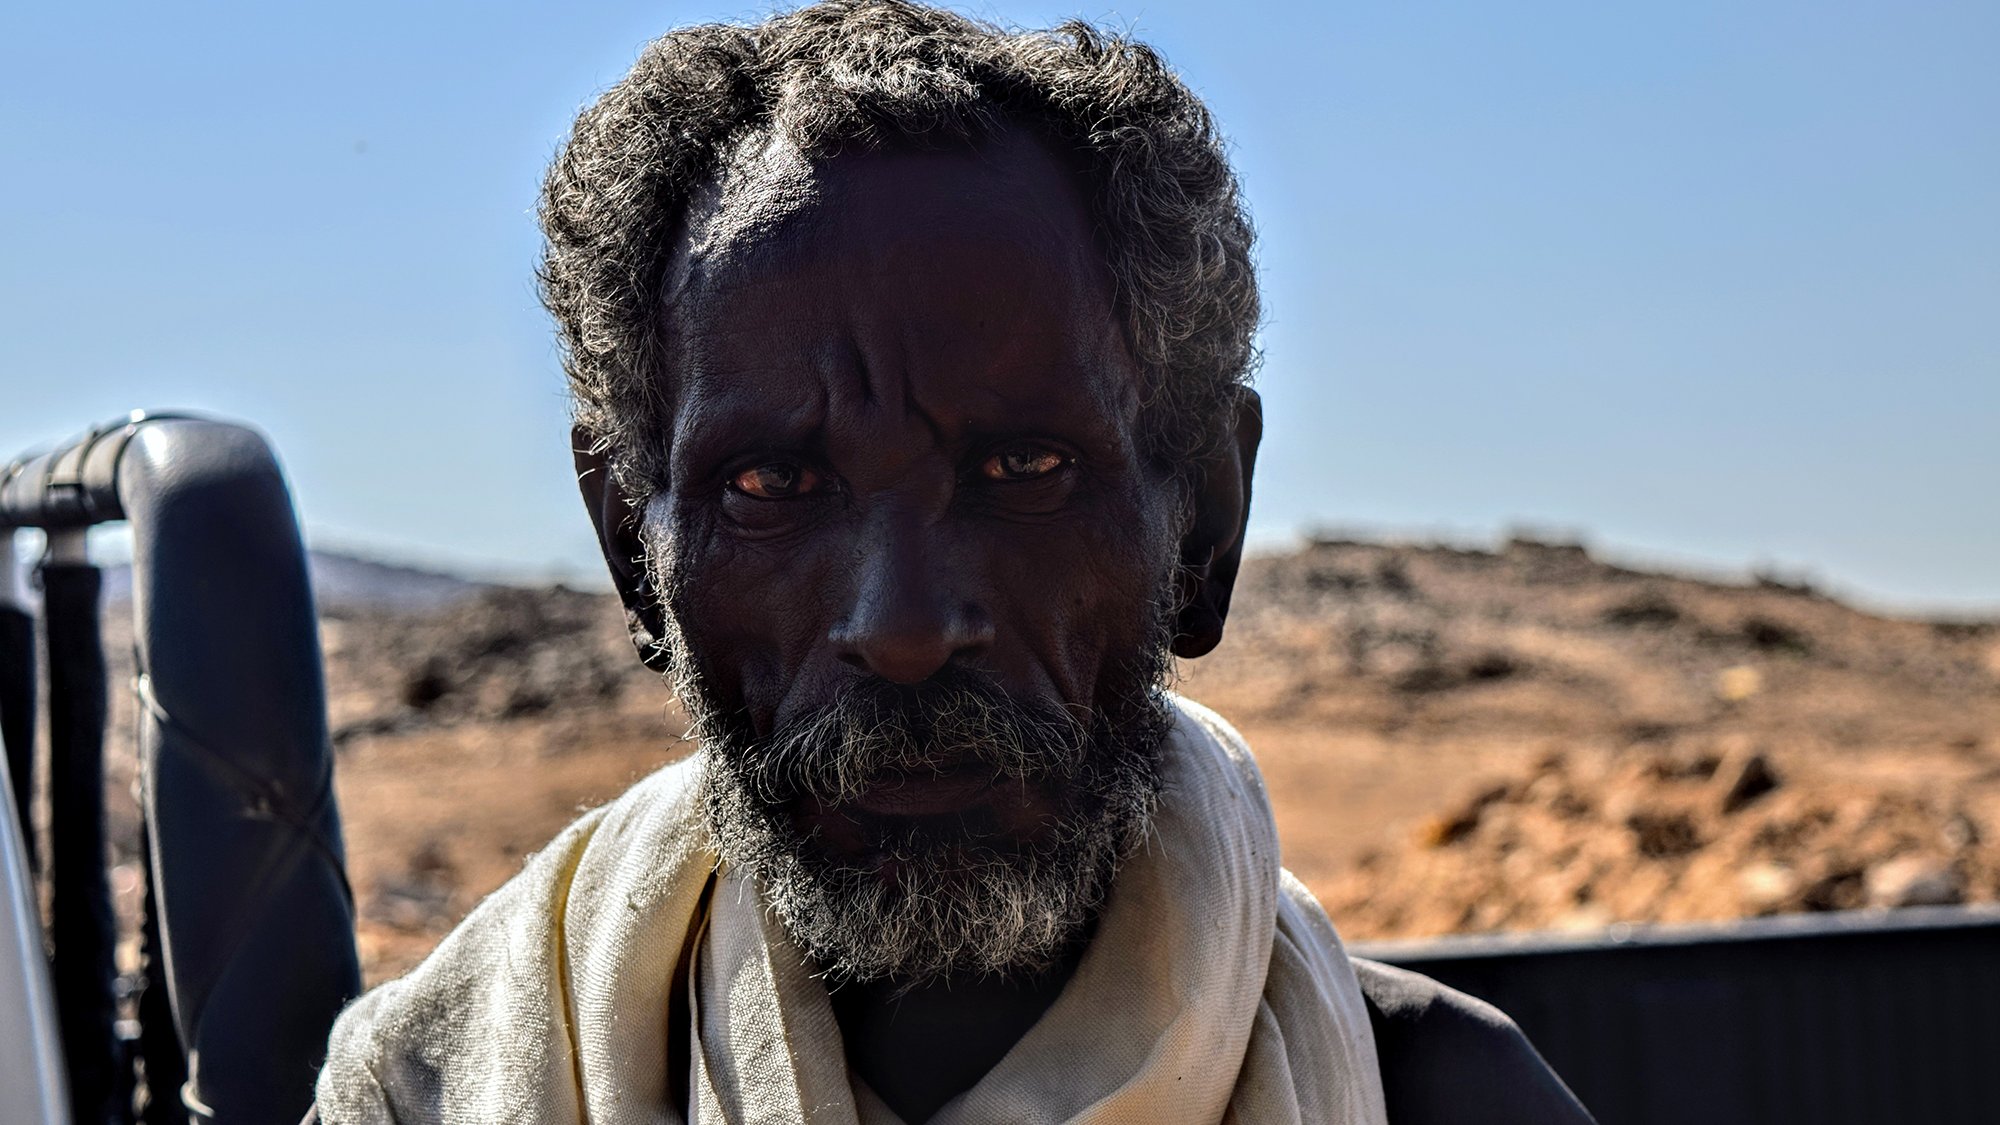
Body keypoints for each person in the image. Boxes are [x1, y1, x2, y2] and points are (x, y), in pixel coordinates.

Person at [311, 3, 1594, 1122]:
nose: (906, 627)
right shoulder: (428, 1092)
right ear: (634, 557)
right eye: (773, 486)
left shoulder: (1427, 1094)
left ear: (1202, 521)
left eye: (1022, 472)